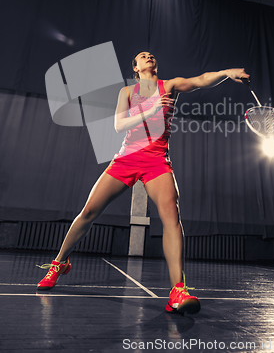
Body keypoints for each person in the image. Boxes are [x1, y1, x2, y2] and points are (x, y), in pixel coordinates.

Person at [37, 51, 249, 314]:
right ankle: (59, 263)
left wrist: (227, 73)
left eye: (150, 54)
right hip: (127, 159)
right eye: (142, 56)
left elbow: (201, 79)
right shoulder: (127, 92)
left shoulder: (169, 86)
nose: (148, 56)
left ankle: (177, 292)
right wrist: (151, 108)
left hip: (156, 160)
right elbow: (119, 125)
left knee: (171, 214)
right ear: (135, 68)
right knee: (89, 212)